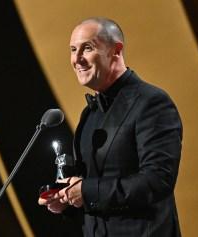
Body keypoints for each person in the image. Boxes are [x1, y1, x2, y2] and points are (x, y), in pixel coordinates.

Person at [39, 17, 183, 237]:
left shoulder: (151, 102)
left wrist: (85, 191)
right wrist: (67, 197)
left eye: (87, 48)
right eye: (73, 49)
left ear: (116, 50)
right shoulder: (89, 114)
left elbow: (157, 181)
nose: (77, 59)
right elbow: (94, 188)